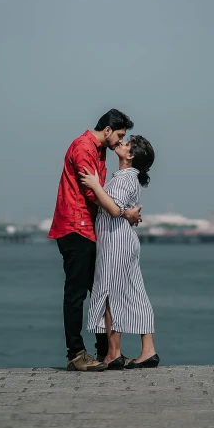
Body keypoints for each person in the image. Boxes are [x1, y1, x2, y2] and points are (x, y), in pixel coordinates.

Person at [48, 109, 142, 371]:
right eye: (120, 135)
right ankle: (76, 354)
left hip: (88, 228)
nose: (121, 141)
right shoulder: (83, 148)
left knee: (99, 290)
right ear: (108, 130)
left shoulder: (99, 150)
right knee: (77, 293)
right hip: (73, 228)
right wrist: (124, 212)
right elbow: (93, 194)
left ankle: (106, 353)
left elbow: (99, 193)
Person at [79, 135, 159, 370]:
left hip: (115, 241)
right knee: (134, 292)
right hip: (122, 240)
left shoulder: (125, 179)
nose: (121, 144)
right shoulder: (129, 178)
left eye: (126, 144)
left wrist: (94, 185)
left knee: (111, 294)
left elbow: (114, 209)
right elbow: (120, 209)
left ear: (131, 155)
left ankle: (113, 353)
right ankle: (148, 350)